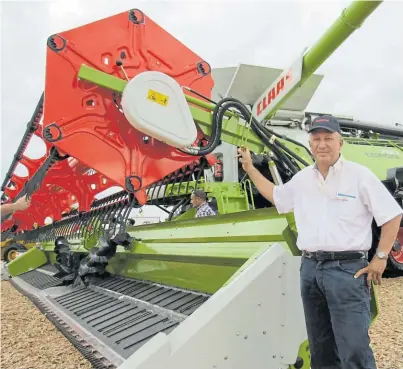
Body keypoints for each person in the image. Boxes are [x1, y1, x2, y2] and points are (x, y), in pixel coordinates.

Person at [237, 115, 402, 369]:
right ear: (310, 143)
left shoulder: (359, 176)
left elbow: (392, 215)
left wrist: (380, 258)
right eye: (316, 139)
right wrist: (249, 169)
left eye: (328, 138)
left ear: (340, 143)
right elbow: (276, 196)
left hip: (348, 271)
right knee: (320, 347)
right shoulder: (303, 179)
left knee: (354, 348)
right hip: (311, 270)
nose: (322, 144)